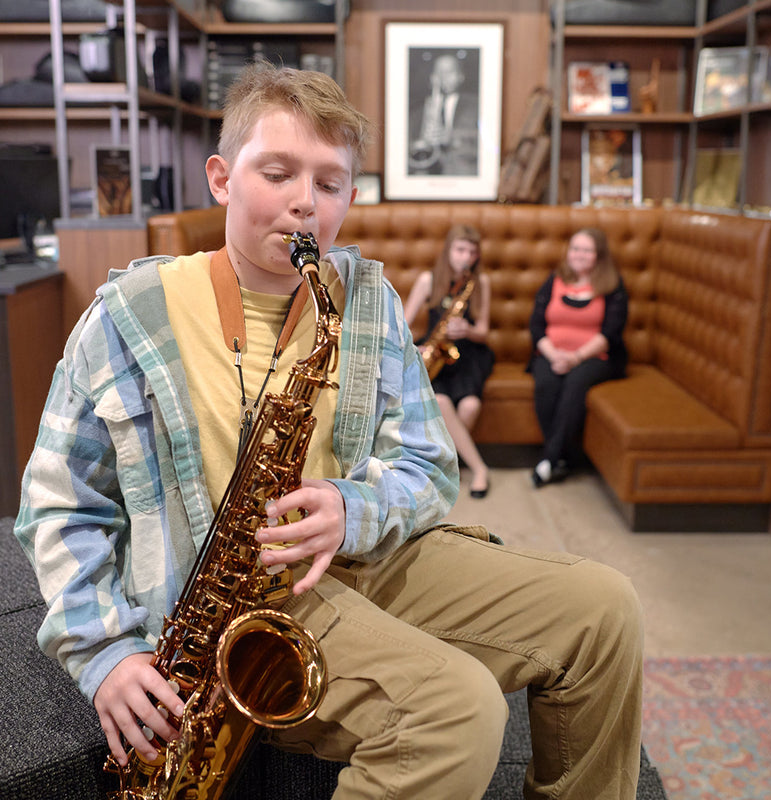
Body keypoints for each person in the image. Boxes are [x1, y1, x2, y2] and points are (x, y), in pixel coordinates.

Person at [14, 62, 643, 800]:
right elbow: (58, 505)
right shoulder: (129, 315)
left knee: (606, 608)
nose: (303, 204)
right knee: (456, 712)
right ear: (221, 178)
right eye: (276, 173)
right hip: (239, 610)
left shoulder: (367, 299)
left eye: (329, 183)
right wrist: (104, 656)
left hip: (366, 557)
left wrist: (352, 508)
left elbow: (428, 466)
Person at [528, 228, 629, 488]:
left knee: (575, 384)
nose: (579, 255)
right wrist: (554, 355)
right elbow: (536, 325)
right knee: (546, 384)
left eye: (587, 250)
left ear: (599, 256)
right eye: (575, 248)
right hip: (551, 353)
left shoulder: (612, 285)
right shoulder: (555, 279)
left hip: (596, 356)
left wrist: (575, 358)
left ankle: (549, 459)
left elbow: (611, 332)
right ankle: (565, 459)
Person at [403, 224, 493, 498]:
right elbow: (403, 324)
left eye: (472, 252)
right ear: (448, 250)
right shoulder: (428, 280)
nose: (466, 256)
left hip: (469, 355)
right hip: (436, 353)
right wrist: (415, 349)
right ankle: (479, 469)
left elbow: (484, 331)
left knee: (470, 405)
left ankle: (439, 469)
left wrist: (468, 330)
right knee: (441, 402)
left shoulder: (481, 282)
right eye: (460, 249)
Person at [408, 52, 480, 176]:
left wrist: (452, 138)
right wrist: (418, 143)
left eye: (450, 72)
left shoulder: (476, 105)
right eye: (439, 72)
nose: (443, 76)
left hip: (462, 173)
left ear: (460, 76)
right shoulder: (419, 109)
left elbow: (487, 143)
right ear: (432, 77)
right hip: (428, 174)